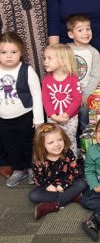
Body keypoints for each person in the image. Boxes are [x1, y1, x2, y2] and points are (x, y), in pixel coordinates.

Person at [0, 32, 43, 187]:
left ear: (21, 52)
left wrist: (38, 120)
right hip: (3, 119)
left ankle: (32, 169)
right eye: (3, 52)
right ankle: (18, 169)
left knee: (28, 144)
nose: (8, 56)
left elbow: (37, 96)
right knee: (10, 145)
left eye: (13, 52)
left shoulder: (27, 71)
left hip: (25, 116)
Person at [28, 123, 87, 219]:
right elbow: (38, 177)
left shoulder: (67, 152)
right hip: (50, 187)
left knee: (82, 183)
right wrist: (48, 186)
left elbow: (74, 172)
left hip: (68, 183)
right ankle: (73, 196)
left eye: (60, 140)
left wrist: (64, 185)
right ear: (41, 145)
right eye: (51, 142)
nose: (57, 144)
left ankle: (53, 205)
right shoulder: (39, 158)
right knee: (33, 195)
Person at [41, 44, 81, 155]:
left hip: (70, 118)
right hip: (52, 118)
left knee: (70, 139)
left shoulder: (73, 79)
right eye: (45, 58)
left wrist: (67, 114)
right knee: (54, 141)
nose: (45, 61)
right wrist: (53, 115)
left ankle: (72, 163)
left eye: (49, 58)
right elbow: (46, 100)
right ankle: (57, 163)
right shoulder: (46, 80)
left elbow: (77, 99)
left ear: (63, 61)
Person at [66, 14, 100, 129]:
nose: (86, 33)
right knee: (68, 121)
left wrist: (85, 94)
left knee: (84, 119)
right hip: (67, 93)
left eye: (88, 29)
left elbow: (96, 76)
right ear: (71, 34)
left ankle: (83, 140)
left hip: (83, 94)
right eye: (80, 30)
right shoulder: (65, 50)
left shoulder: (93, 52)